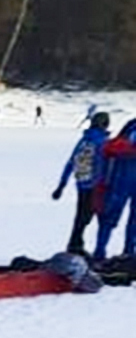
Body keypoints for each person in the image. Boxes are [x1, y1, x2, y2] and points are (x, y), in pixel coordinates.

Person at [53, 111, 110, 255]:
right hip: (95, 186)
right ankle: (79, 246)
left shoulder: (84, 140)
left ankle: (75, 244)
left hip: (81, 183)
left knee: (81, 215)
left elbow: (71, 161)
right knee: (92, 216)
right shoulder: (101, 142)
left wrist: (62, 185)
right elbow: (101, 165)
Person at [93, 120, 136, 260]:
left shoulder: (130, 126)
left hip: (119, 179)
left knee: (109, 218)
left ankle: (100, 252)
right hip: (124, 177)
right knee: (131, 219)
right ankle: (128, 251)